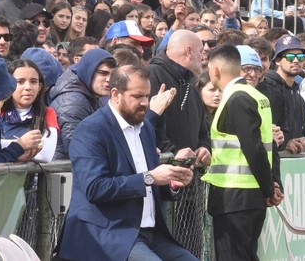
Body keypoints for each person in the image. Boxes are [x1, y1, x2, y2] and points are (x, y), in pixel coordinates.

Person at [59, 63, 201, 261]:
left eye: (146, 96)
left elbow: (150, 182)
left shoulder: (146, 129)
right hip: (109, 235)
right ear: (115, 94)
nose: (144, 103)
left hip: (150, 234)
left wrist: (171, 182)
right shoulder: (91, 130)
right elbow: (95, 188)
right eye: (137, 96)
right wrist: (150, 177)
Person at [203, 46, 280, 261]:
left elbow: (254, 148)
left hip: (235, 197)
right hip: (249, 196)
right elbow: (268, 145)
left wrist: (269, 188)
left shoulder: (237, 98)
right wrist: (271, 184)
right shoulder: (255, 95)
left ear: (215, 70)